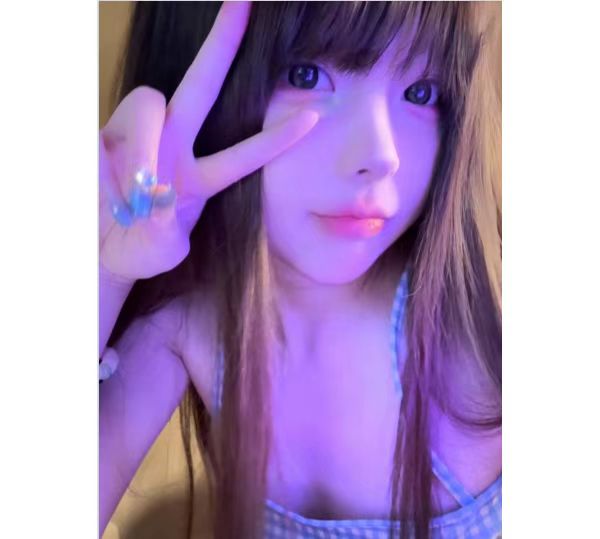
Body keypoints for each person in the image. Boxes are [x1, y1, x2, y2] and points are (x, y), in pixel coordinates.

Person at [99, 2, 502, 538]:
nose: (382, 155)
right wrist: (104, 273)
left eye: (422, 92)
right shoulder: (187, 323)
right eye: (307, 76)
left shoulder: (485, 320)